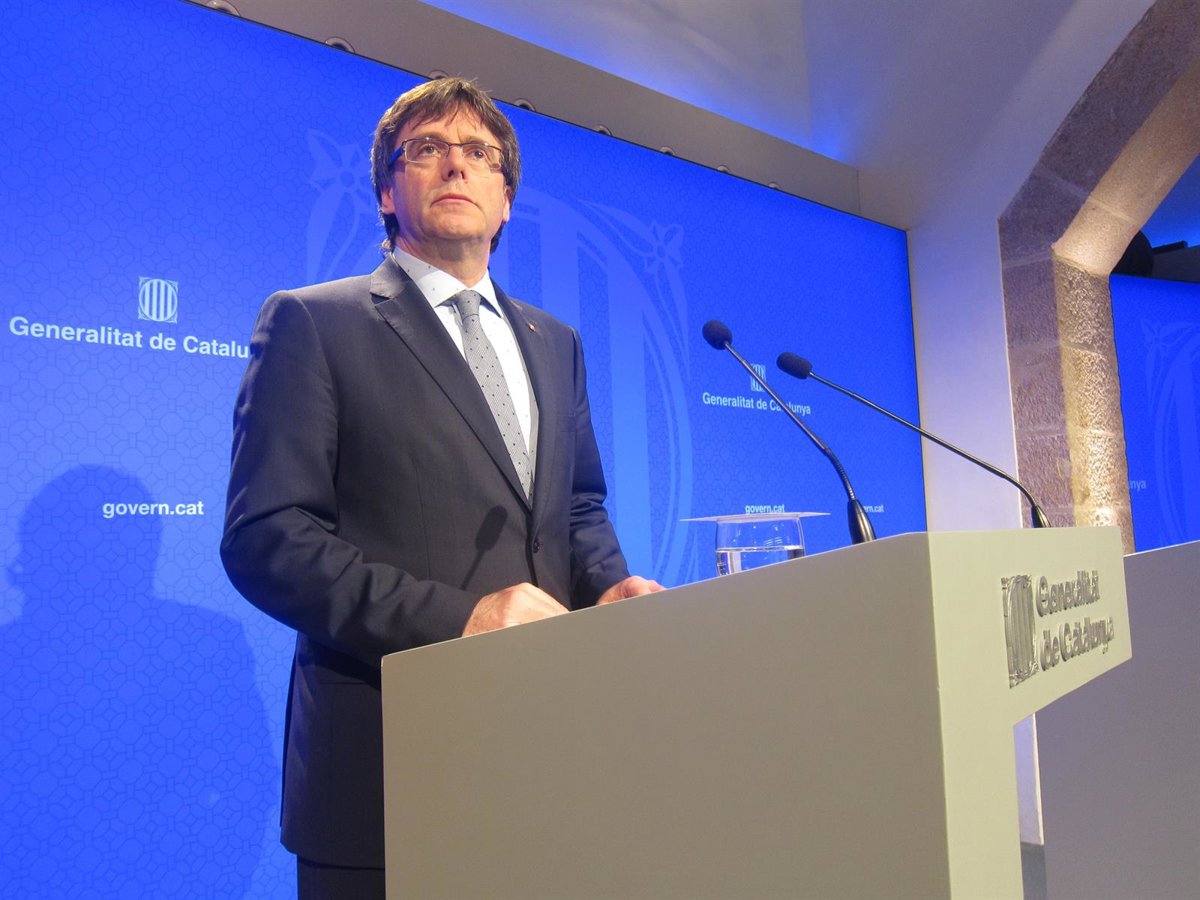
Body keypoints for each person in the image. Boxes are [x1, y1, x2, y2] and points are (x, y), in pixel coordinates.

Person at [220, 76, 662, 898]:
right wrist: (460, 619)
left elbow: (576, 505)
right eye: (426, 149)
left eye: (480, 153)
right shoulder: (313, 322)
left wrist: (608, 586)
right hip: (387, 764)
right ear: (387, 193)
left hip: (550, 758)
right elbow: (268, 538)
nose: (456, 165)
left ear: (506, 200)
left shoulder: (555, 341)